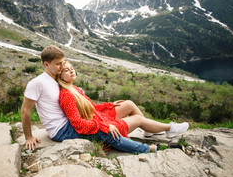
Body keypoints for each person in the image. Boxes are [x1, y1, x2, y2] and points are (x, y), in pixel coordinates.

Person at [57, 61, 189, 151]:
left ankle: (148, 130)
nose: (71, 71)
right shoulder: (67, 95)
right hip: (98, 123)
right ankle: (169, 128)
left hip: (98, 117)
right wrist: (105, 126)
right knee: (138, 119)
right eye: (66, 71)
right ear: (61, 77)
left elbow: (91, 107)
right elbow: (78, 123)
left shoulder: (74, 89)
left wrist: (109, 105)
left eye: (72, 68)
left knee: (128, 104)